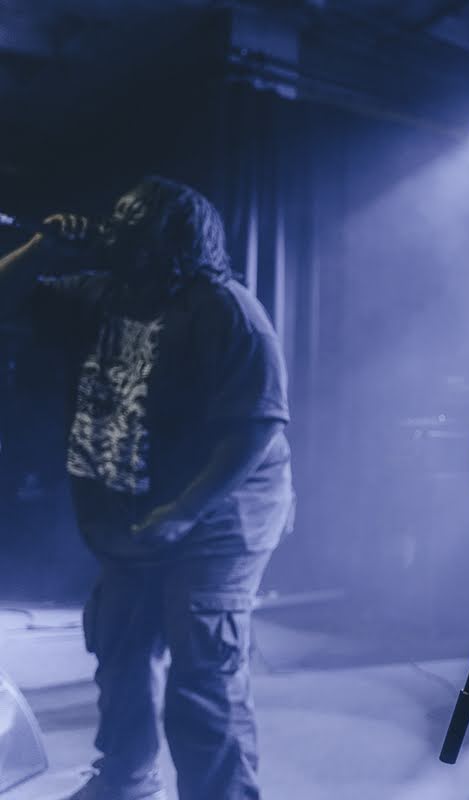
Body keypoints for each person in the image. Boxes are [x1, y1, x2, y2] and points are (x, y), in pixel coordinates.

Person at [0, 176, 294, 800]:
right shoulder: (99, 294)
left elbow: (257, 426)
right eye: (116, 215)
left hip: (218, 520)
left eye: (133, 219)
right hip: (135, 518)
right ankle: (127, 781)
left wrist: (183, 512)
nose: (116, 227)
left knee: (203, 676)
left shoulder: (225, 310)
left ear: (175, 237)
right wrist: (41, 251)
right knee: (122, 651)